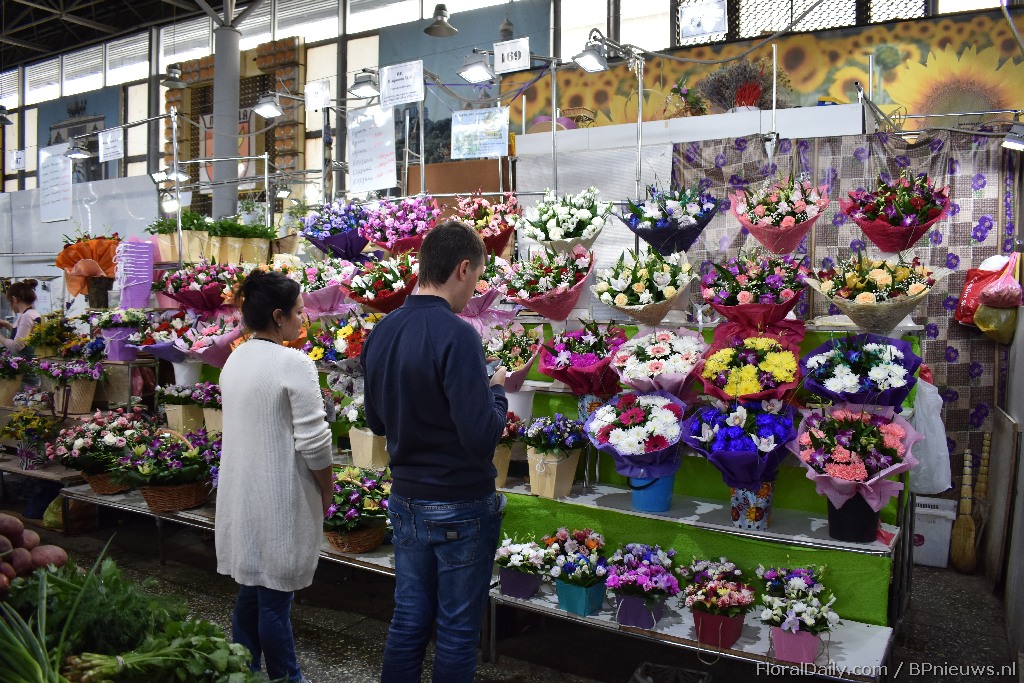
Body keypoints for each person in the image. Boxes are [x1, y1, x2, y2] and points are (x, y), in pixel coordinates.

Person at [360, 220, 509, 683]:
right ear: (463, 268)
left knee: (408, 620)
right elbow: (480, 437)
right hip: (459, 501)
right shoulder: (458, 334)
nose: (475, 288)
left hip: (406, 498)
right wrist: (497, 392)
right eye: (477, 276)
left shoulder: (382, 331)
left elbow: (376, 423)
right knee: (458, 630)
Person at [215, 270, 334, 683]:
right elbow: (315, 442)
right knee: (274, 603)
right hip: (279, 496)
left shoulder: (235, 359)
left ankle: (243, 672)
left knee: (251, 592)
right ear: (278, 316)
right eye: (299, 312)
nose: (303, 319)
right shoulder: (292, 362)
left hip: (242, 494)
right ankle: (287, 678)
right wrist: (327, 488)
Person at [0, 279, 42, 354]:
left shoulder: (27, 316)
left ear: (14, 299)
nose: (10, 305)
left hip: (26, 359)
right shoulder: (33, 313)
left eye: (10, 302)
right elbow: (23, 334)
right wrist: (6, 324)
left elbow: (16, 346)